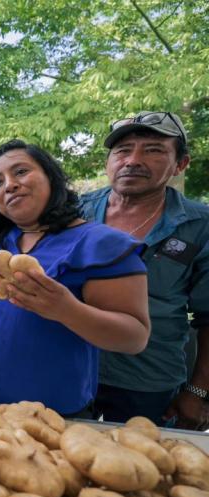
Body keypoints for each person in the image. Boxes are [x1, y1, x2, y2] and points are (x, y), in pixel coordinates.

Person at [0, 140, 151, 416]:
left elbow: (134, 338)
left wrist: (66, 309)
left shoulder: (101, 244)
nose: (10, 185)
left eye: (21, 171)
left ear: (51, 177)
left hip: (52, 412)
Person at [81, 111, 209, 429]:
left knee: (142, 458)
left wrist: (197, 392)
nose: (133, 160)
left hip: (148, 382)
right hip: (72, 369)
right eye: (123, 150)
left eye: (153, 150)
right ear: (108, 162)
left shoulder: (200, 225)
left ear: (180, 164)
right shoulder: (75, 212)